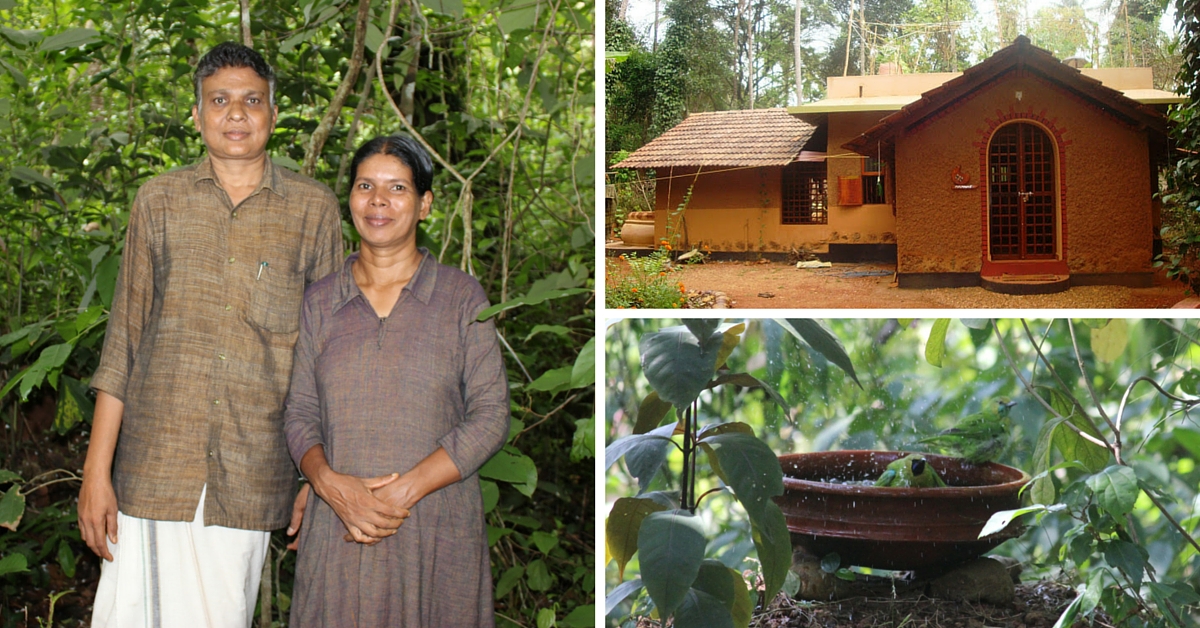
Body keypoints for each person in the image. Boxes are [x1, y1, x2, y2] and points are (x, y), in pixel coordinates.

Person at [77, 42, 344, 627]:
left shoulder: (313, 211)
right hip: (153, 465)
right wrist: (96, 474)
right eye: (219, 101)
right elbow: (123, 340)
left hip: (250, 471)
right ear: (197, 116)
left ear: (274, 113)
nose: (236, 114)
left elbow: (330, 360)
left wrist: (319, 475)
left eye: (252, 100)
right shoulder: (160, 201)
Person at [283, 135, 510, 627]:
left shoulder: (460, 298)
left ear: (425, 204)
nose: (379, 200)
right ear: (350, 200)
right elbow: (299, 412)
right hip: (339, 524)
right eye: (366, 185)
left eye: (398, 188)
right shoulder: (321, 302)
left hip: (433, 524)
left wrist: (400, 493)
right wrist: (327, 483)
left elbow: (491, 416)